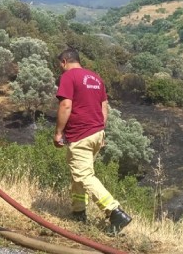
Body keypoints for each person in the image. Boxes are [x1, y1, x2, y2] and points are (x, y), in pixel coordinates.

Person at [53, 48, 132, 234]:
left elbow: (65, 105)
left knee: (84, 175)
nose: (61, 69)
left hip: (80, 135)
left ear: (64, 62)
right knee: (79, 174)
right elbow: (104, 107)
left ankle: (114, 212)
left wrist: (58, 132)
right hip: (97, 133)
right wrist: (100, 130)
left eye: (60, 65)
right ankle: (78, 212)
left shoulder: (69, 76)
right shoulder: (96, 78)